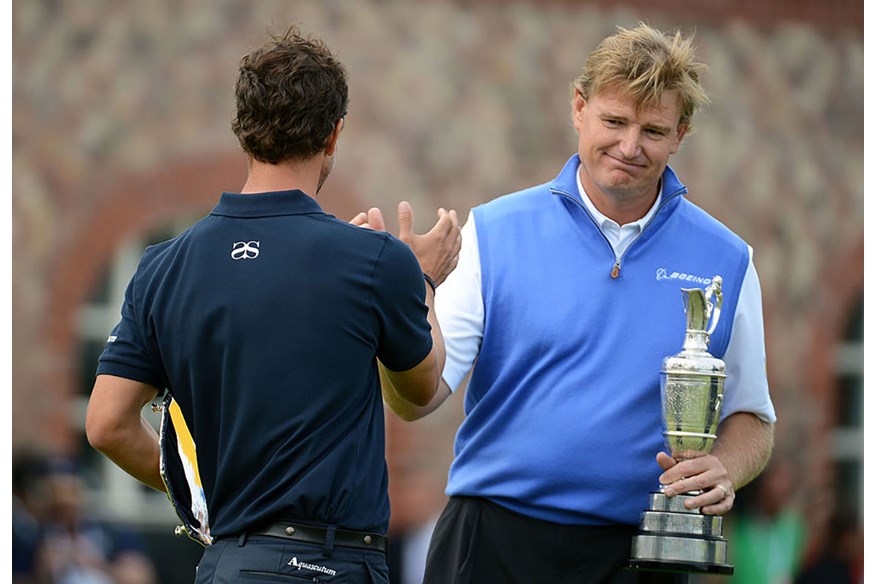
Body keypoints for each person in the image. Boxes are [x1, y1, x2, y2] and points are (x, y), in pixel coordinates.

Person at [381, 23, 777, 583]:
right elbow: (417, 399)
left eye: (653, 130)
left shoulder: (727, 260)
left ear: (681, 134)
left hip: (641, 553)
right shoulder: (493, 232)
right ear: (578, 107)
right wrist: (400, 305)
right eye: (614, 122)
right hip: (491, 541)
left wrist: (725, 469)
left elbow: (753, 418)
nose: (630, 147)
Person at [85, 26, 460, 584]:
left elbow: (106, 424)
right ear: (334, 135)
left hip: (227, 563)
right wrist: (421, 281)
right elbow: (421, 389)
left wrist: (204, 493)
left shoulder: (160, 266)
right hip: (333, 565)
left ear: (244, 129)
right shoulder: (377, 261)